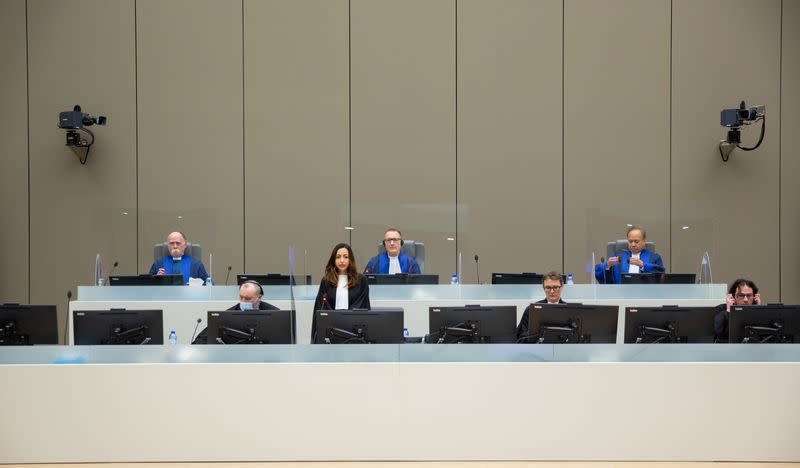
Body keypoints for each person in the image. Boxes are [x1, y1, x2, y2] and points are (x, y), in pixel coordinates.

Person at [312, 243, 370, 342]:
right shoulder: (326, 281)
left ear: (350, 259)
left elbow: (362, 306)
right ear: (333, 260)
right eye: (338, 257)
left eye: (346, 257)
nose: (342, 260)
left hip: (354, 330)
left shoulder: (361, 280)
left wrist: (345, 319)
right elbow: (321, 307)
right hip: (331, 331)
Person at [192, 280, 278, 344]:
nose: (243, 301)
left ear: (259, 297)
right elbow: (202, 338)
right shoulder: (228, 314)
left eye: (248, 298)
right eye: (241, 297)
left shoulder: (275, 313)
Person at [594, 225, 664, 284]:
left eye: (636, 241)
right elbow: (598, 270)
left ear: (644, 241)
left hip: (645, 295)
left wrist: (643, 266)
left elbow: (661, 275)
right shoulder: (618, 257)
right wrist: (607, 266)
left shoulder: (654, 257)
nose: (633, 244)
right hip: (620, 295)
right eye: (630, 241)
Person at [515, 271, 568, 342]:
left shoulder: (569, 309)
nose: (552, 291)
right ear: (544, 288)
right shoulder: (531, 310)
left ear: (562, 287)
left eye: (555, 287)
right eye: (548, 287)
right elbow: (520, 337)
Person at [714, 278, 762, 343]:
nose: (745, 300)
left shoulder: (759, 309)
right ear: (733, 296)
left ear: (754, 297)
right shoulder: (721, 309)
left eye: (749, 295)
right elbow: (719, 335)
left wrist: (759, 310)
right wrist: (729, 310)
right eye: (741, 295)